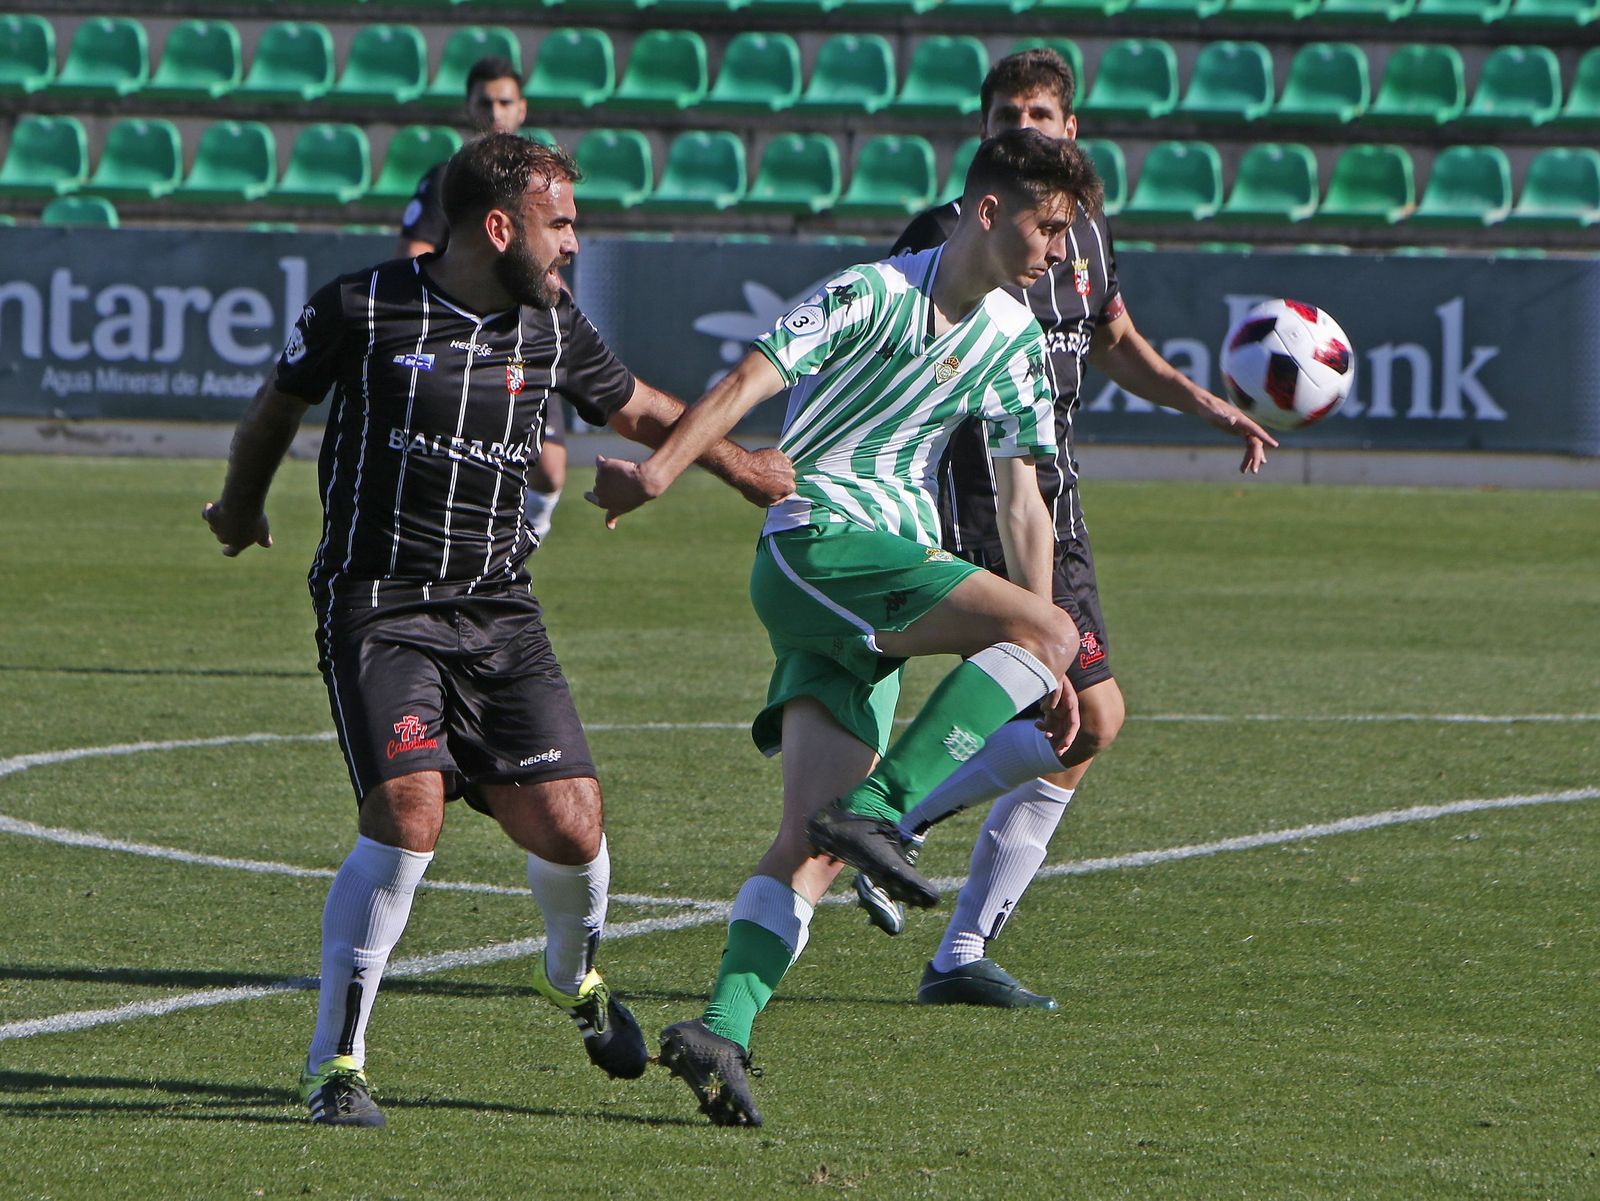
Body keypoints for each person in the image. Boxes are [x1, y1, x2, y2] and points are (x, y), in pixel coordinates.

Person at [203, 133, 793, 1128]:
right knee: (409, 811)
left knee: (573, 824)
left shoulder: (550, 324)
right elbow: (274, 410)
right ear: (496, 225)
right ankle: (335, 1065)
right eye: (558, 223)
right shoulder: (364, 305)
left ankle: (573, 978)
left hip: (498, 608)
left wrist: (740, 469)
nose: (572, 243)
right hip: (379, 603)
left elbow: (639, 404)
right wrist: (238, 504)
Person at [587, 129, 1101, 1127]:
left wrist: (1043, 651)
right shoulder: (868, 293)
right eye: (1047, 227)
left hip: (869, 588)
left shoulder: (1013, 338)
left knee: (807, 849)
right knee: (1026, 652)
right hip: (817, 545)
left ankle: (720, 1029)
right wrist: (656, 473)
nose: (1059, 251)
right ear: (988, 213)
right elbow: (745, 384)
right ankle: (887, 808)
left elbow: (1022, 499)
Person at [851, 47, 1279, 1011]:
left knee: (1081, 728)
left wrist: (1209, 405)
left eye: (1039, 113)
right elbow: (890, 354)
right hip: (982, 496)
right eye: (1006, 115)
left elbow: (1115, 340)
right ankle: (892, 829)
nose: (1022, 128)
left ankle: (947, 928)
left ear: (1071, 128)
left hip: (1055, 495)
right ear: (985, 130)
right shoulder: (948, 231)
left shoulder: (1082, 229)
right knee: (1087, 713)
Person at [395, 56, 567, 545]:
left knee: (551, 471)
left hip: (525, 335)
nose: (495, 112)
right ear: (469, 108)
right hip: (460, 336)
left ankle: (524, 539)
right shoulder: (450, 179)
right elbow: (414, 249)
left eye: (504, 102)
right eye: (485, 102)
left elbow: (557, 250)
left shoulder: (542, 185)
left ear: (522, 108)